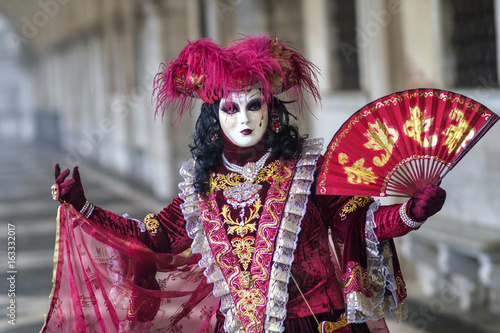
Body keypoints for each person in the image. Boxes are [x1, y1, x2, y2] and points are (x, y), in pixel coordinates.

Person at [44, 36, 446, 333]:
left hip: (316, 324)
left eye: (254, 105)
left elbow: (360, 225)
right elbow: (151, 240)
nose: (243, 118)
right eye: (231, 108)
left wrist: (411, 212)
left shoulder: (307, 169)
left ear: (271, 111)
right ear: (214, 117)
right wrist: (85, 207)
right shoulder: (201, 189)